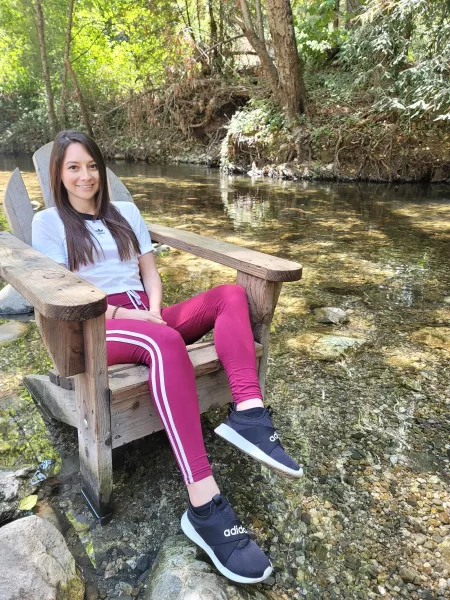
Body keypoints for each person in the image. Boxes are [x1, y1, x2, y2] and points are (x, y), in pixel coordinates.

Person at [32, 130, 302, 584]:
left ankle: (249, 414)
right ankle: (204, 504)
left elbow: (150, 274)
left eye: (92, 166)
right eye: (73, 167)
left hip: (145, 314)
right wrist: (130, 317)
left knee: (230, 295)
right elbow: (60, 290)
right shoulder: (49, 223)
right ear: (59, 174)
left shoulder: (125, 213)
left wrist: (154, 312)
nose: (85, 176)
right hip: (96, 327)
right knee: (165, 342)